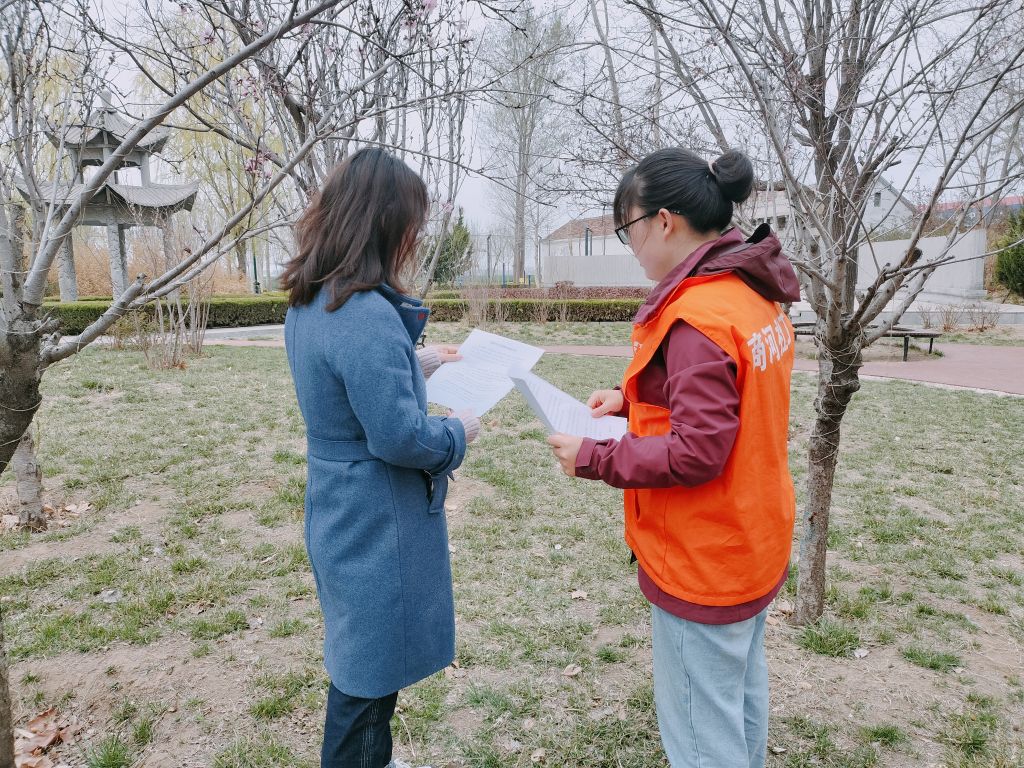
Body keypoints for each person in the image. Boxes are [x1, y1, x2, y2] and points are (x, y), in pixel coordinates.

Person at [547, 147, 801, 767]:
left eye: (627, 230)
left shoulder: (696, 316)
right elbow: (727, 403)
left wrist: (595, 457)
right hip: (752, 538)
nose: (631, 247)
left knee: (700, 734)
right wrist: (631, 399)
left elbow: (697, 451)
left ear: (663, 221)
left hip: (703, 555)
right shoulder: (748, 292)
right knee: (737, 701)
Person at [281, 147, 479, 768]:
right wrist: (458, 433)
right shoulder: (365, 313)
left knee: (358, 658)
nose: (413, 237)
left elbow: (341, 383)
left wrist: (416, 364)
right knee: (367, 684)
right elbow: (399, 437)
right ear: (385, 224)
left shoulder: (312, 300)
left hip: (337, 503)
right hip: (376, 516)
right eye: (411, 222)